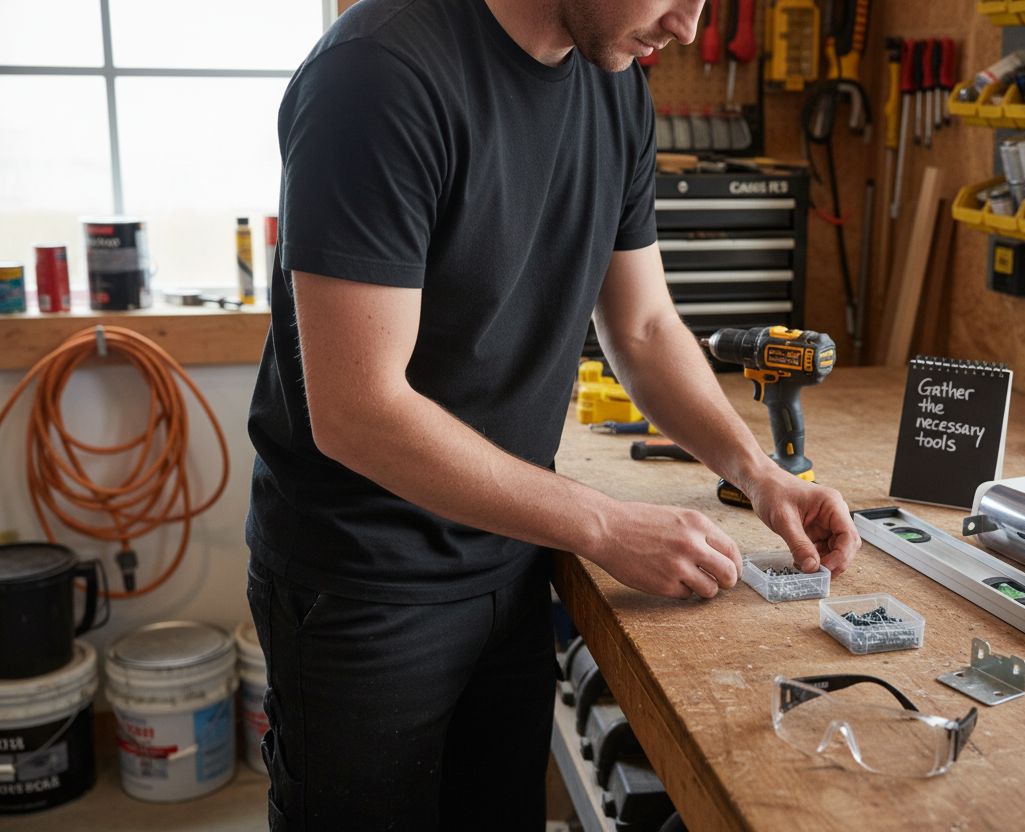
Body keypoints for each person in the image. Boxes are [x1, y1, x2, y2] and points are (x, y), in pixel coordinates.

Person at [244, 0, 861, 828]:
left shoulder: (614, 83)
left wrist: (756, 473)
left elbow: (642, 329)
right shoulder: (379, 75)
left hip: (513, 551)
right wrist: (603, 526)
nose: (687, 25)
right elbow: (359, 411)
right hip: (365, 585)